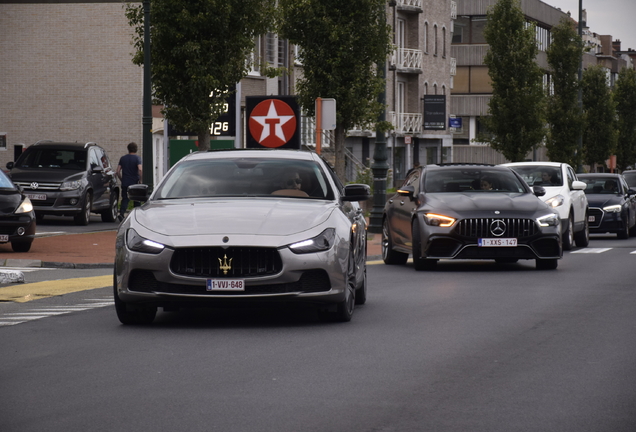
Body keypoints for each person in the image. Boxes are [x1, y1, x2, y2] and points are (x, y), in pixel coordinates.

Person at [116, 142, 142, 221]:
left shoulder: (123, 158)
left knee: (125, 199)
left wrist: (121, 179)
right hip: (135, 183)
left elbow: (117, 171)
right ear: (136, 149)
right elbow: (140, 169)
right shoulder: (137, 158)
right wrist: (140, 180)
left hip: (125, 182)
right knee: (137, 199)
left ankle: (121, 214)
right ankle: (136, 216)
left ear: (128, 149)